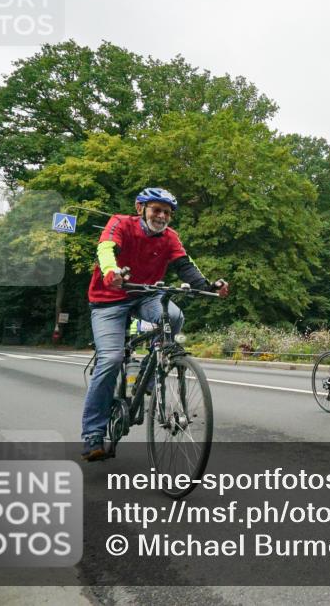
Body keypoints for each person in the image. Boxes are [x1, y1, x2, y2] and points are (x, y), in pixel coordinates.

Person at [81, 188, 229, 461]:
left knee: (174, 316)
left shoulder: (169, 237)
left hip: (146, 295)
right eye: (156, 210)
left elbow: (185, 265)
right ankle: (93, 435)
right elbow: (106, 248)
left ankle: (151, 375)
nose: (161, 216)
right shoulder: (120, 223)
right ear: (140, 208)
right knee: (112, 358)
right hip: (109, 299)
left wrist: (208, 286)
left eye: (167, 213)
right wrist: (111, 271)